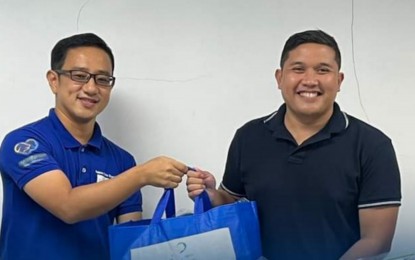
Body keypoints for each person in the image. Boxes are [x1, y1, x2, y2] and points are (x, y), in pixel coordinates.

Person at [186, 30, 401, 260]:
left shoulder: (373, 146)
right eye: (298, 69)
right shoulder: (248, 137)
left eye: (323, 70)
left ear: (339, 81)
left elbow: (376, 241)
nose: (310, 80)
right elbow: (230, 201)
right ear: (279, 78)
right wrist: (209, 194)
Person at [0, 33, 189, 259]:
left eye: (102, 79)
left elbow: (129, 242)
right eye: (79, 76)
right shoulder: (24, 143)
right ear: (54, 80)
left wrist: (196, 203)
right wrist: (142, 175)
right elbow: (67, 206)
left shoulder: (122, 161)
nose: (91, 88)